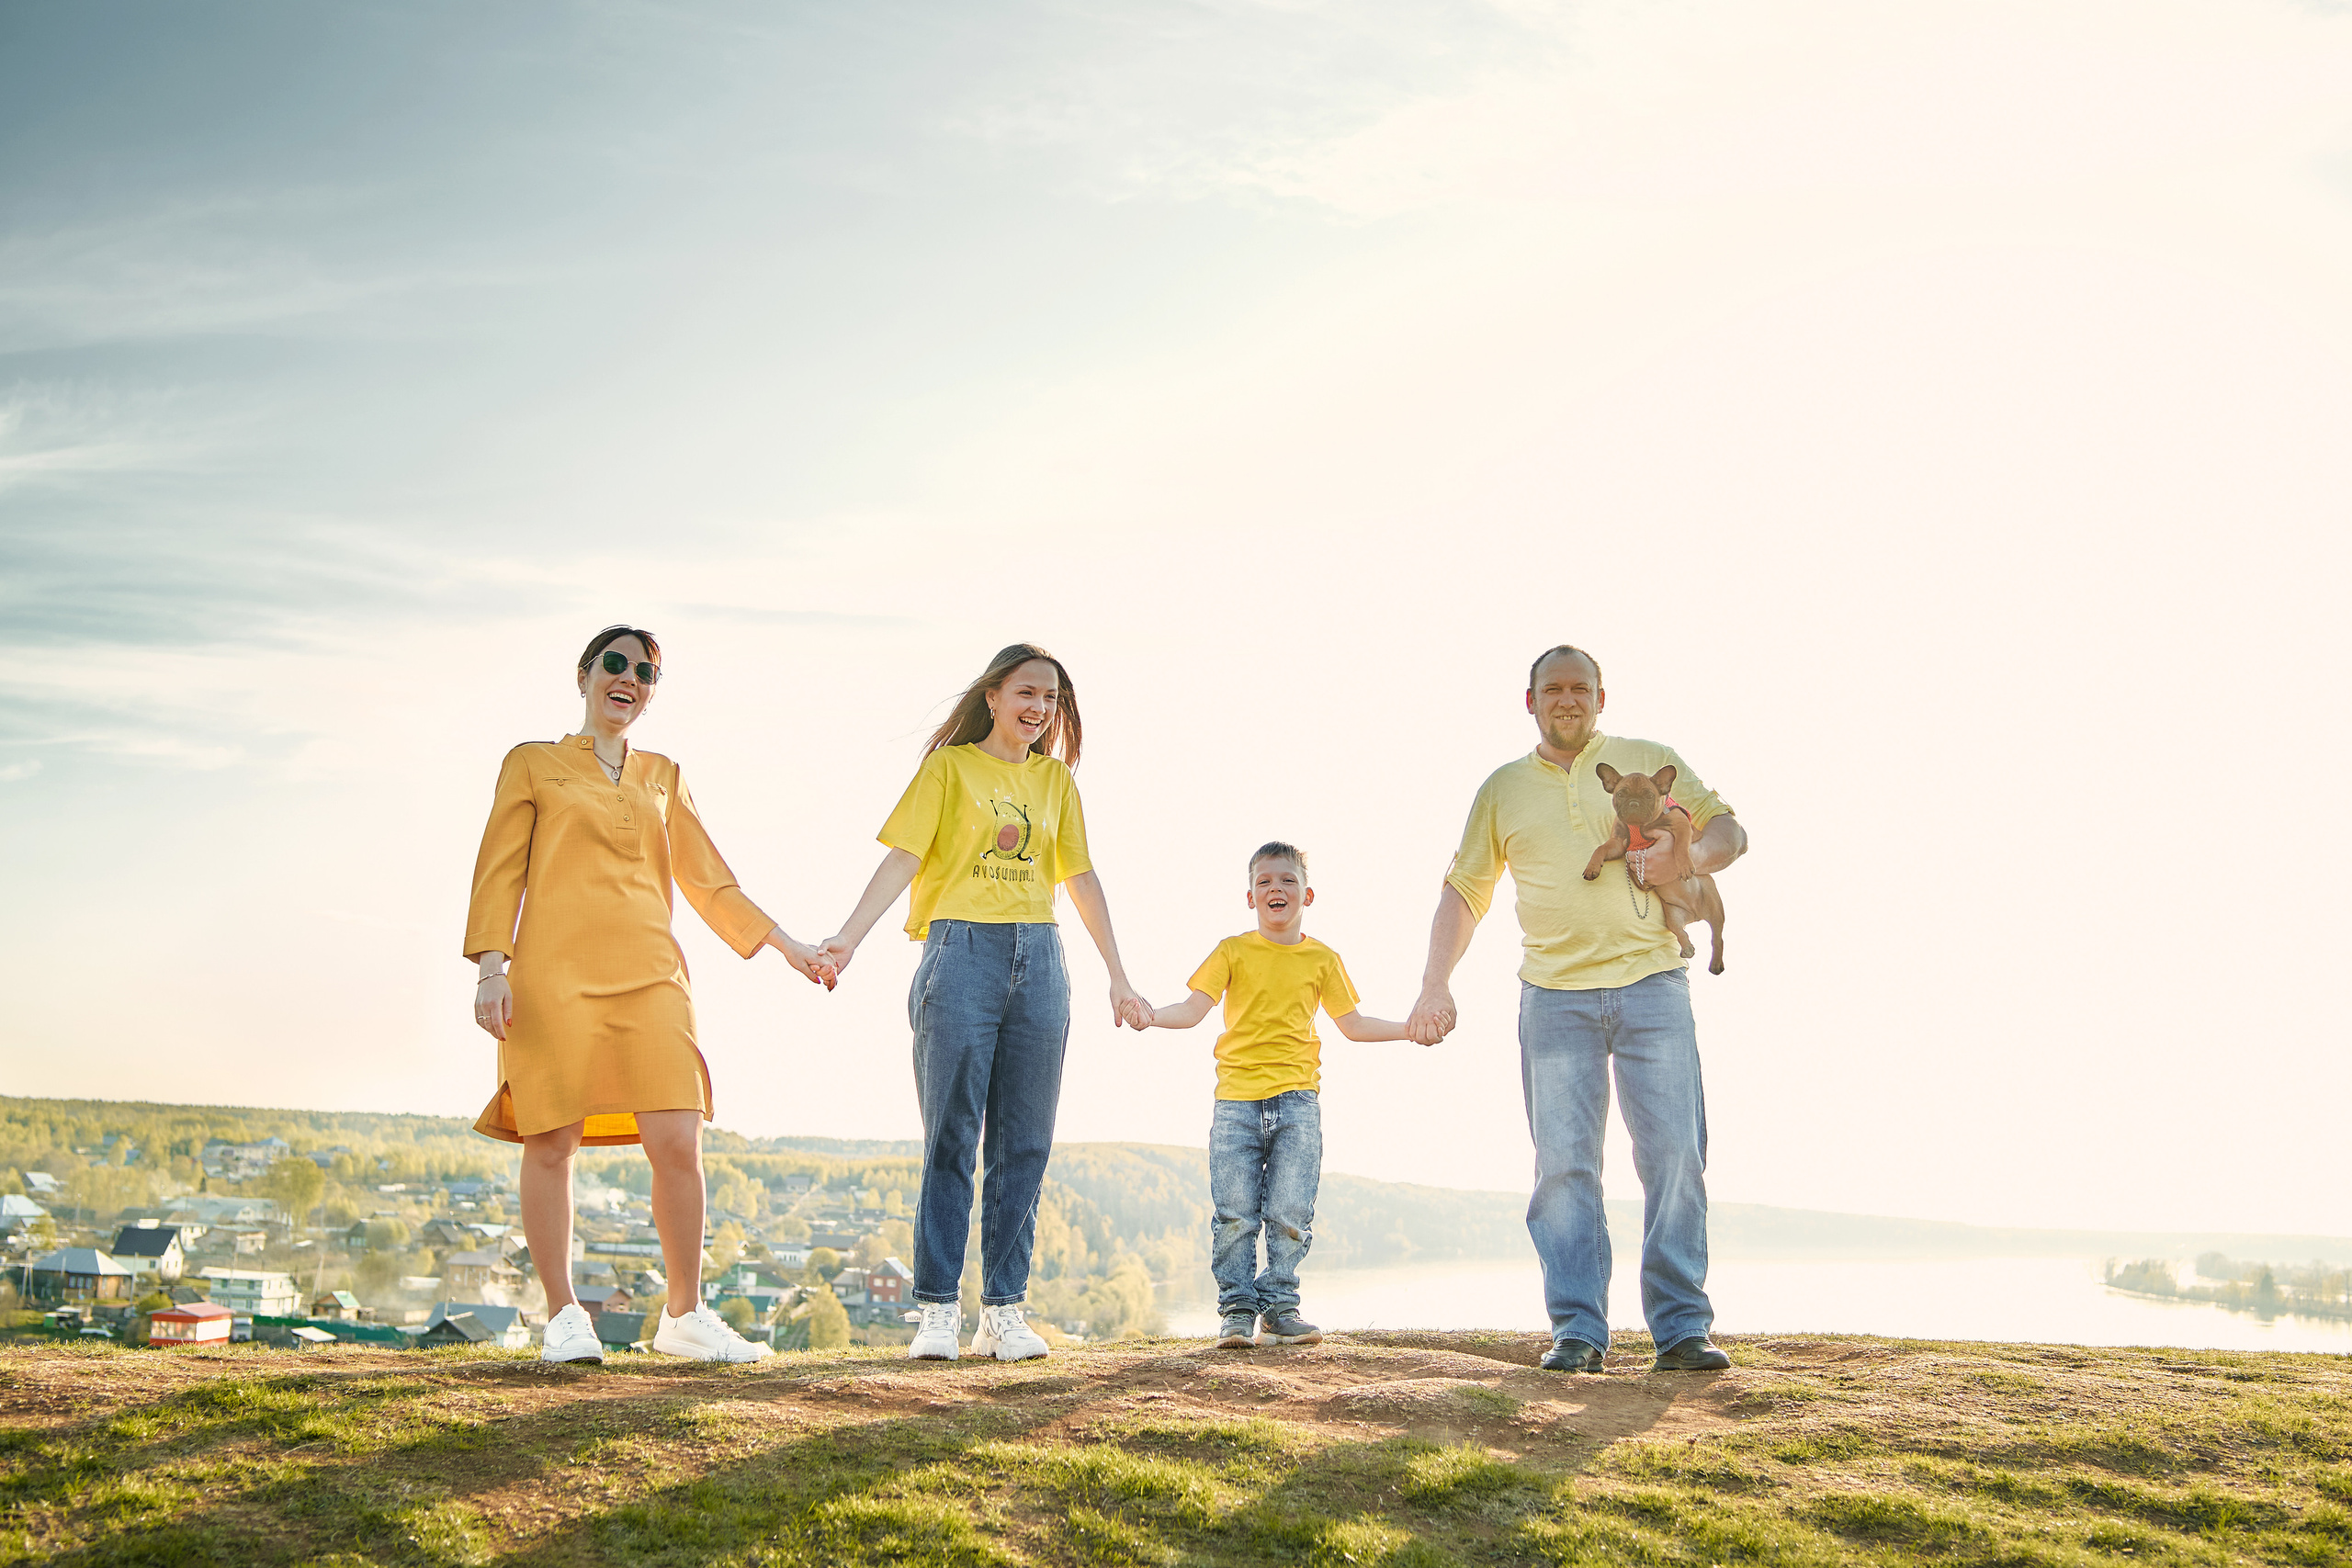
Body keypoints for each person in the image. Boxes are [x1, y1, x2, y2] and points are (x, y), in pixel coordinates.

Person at [465, 625, 834, 1366]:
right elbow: (500, 869)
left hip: (653, 977)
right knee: (552, 1137)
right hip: (552, 976)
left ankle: (685, 1314)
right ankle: (564, 1313)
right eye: (616, 663)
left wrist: (786, 944)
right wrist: (490, 966)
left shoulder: (665, 774)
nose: (629, 677)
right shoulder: (531, 763)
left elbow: (709, 879)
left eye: (646, 671)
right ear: (584, 674)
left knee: (678, 1138)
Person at [1407, 646, 1747, 1373]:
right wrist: (1436, 982)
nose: (1568, 698)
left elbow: (1728, 829)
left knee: (1676, 1155)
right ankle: (1579, 1331)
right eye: (1553, 688)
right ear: (1529, 701)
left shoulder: (1647, 758)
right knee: (1563, 1167)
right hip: (1553, 998)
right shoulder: (1502, 789)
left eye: (1580, 688)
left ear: (1601, 697)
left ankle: (1682, 1327)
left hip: (1654, 986)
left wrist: (1686, 861)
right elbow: (1464, 892)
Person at [817, 643, 1148, 1362]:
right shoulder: (948, 769)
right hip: (960, 951)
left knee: (1024, 1142)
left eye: (1051, 699)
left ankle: (1002, 1309)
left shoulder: (1057, 781)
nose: (1039, 708)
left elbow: (1082, 879)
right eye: (1027, 692)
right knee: (952, 1135)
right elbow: (903, 856)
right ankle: (937, 1307)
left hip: (1041, 955)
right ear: (993, 695)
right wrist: (847, 938)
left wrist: (1118, 974)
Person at [1136, 841, 1412, 1351]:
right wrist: (1148, 1014)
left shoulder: (1323, 959)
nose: (1275, 889)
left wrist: (1408, 1028)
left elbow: (1352, 1025)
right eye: (1264, 882)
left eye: (1286, 881)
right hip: (1236, 1102)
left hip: (1298, 1102)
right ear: (1249, 898)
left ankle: (1280, 1307)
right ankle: (1238, 1312)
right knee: (1235, 1211)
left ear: (1307, 894)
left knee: (1290, 1210)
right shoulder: (1231, 951)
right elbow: (1192, 1009)